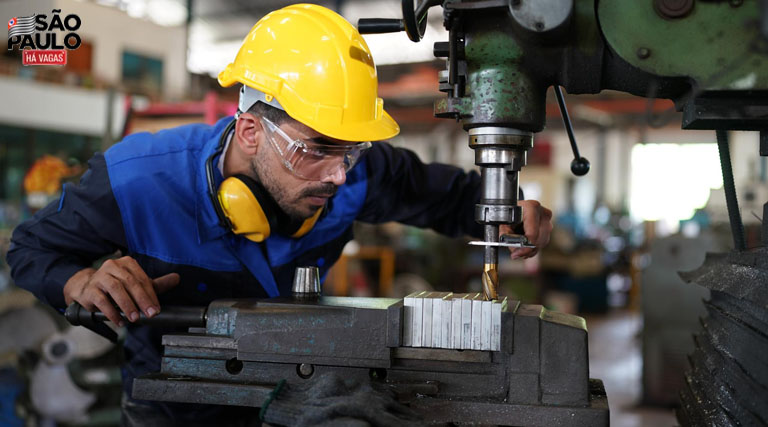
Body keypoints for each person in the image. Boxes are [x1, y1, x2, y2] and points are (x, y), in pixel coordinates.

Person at [6, 4, 552, 425]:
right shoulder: (137, 180)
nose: (339, 175)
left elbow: (452, 199)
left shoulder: (357, 170)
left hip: (302, 389)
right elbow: (31, 248)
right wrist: (79, 279)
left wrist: (506, 208)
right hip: (173, 400)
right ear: (249, 130)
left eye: (352, 149)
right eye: (315, 149)